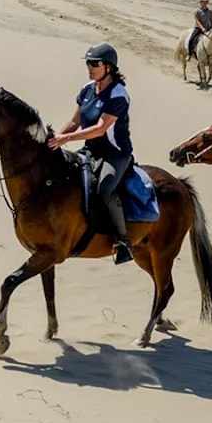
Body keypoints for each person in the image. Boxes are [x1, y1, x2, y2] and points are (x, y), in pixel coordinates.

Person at [49, 43, 136, 265]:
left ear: (109, 67)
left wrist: (66, 140)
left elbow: (99, 128)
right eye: (88, 63)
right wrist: (55, 139)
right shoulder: (88, 88)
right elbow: (75, 121)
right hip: (90, 151)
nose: (90, 67)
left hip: (115, 155)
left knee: (104, 188)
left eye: (95, 64)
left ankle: (123, 241)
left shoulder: (118, 94)